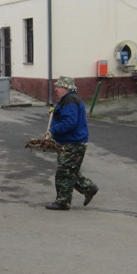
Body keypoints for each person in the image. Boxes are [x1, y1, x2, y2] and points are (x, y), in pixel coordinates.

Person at [45, 76, 99, 211]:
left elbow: (70, 122)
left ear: (67, 88)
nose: (56, 89)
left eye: (59, 87)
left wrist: (52, 131)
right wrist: (56, 112)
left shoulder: (70, 100)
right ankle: (89, 188)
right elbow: (65, 117)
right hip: (69, 141)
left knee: (64, 173)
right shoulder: (69, 99)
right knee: (70, 170)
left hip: (72, 142)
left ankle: (63, 202)